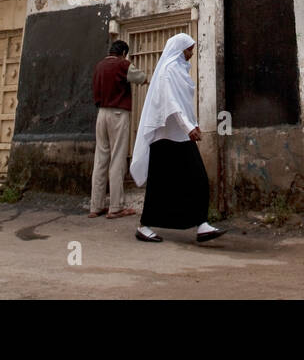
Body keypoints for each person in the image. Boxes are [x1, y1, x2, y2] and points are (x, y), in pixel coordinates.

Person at [130, 33, 225, 243]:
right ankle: (145, 226)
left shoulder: (179, 71)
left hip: (180, 135)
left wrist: (193, 123)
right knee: (165, 182)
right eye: (189, 49)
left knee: (188, 180)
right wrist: (188, 127)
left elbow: (184, 103)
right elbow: (171, 103)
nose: (191, 53)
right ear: (180, 49)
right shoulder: (168, 71)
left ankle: (201, 224)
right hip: (165, 137)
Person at [90, 40, 147, 219]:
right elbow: (140, 77)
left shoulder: (99, 66)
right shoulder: (123, 64)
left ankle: (96, 206)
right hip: (117, 113)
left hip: (101, 114)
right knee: (117, 159)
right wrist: (147, 80)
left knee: (100, 160)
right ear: (123, 52)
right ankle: (116, 207)